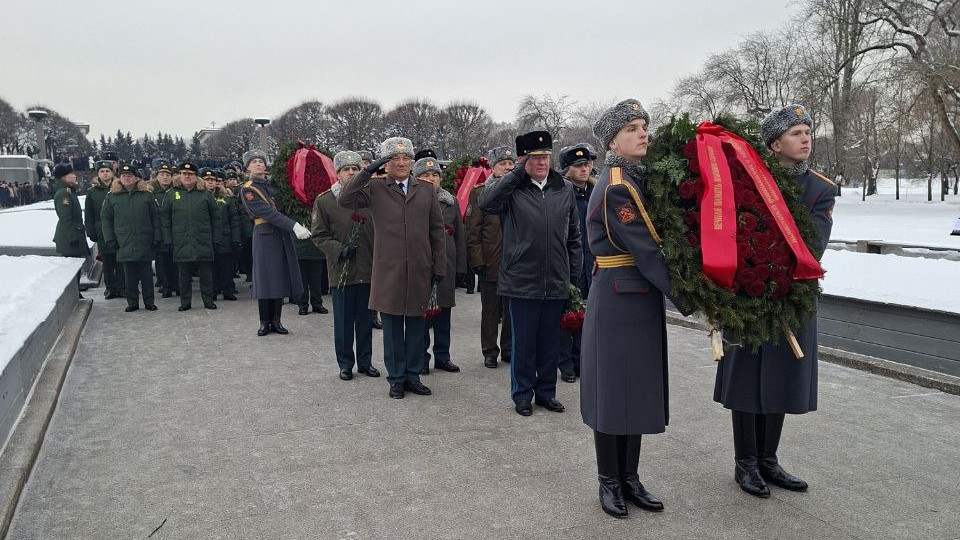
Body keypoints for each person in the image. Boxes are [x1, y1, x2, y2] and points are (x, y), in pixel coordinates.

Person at [714, 104, 836, 498]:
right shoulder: (748, 181)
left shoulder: (819, 189)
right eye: (796, 133)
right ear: (774, 144)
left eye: (807, 132)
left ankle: (768, 459)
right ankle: (745, 462)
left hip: (792, 294)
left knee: (781, 374)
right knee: (747, 377)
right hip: (748, 294)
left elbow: (812, 244)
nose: (805, 139)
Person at [581, 99, 691, 517]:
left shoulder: (637, 177)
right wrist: (690, 297)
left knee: (636, 389)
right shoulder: (617, 185)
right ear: (612, 140)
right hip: (618, 297)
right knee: (613, 392)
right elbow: (646, 251)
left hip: (637, 297)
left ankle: (630, 478)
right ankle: (609, 481)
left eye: (644, 126)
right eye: (632, 128)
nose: (643, 133)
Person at [478, 131, 582, 417]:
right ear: (524, 160)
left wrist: (572, 278)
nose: (541, 163)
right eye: (534, 158)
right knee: (524, 343)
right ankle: (522, 394)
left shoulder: (564, 189)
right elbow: (485, 202)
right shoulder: (512, 189)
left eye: (545, 157)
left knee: (550, 342)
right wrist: (513, 176)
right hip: (522, 280)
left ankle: (547, 392)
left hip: (556, 279)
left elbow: (574, 237)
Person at [338, 137, 446, 400]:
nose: (401, 162)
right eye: (394, 159)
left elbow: (436, 231)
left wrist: (439, 266)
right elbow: (345, 198)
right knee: (393, 328)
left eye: (406, 158)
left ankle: (413, 376)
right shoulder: (375, 188)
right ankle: (396, 378)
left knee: (417, 327)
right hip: (389, 269)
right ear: (385, 163)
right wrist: (367, 170)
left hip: (420, 267)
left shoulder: (425, 189)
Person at [311, 150, 380, 381]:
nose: (351, 173)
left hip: (369, 269)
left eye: (355, 169)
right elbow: (318, 235)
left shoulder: (371, 198)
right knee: (343, 322)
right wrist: (339, 249)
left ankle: (365, 362)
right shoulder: (325, 200)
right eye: (346, 169)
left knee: (365, 320)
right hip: (342, 271)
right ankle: (345, 363)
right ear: (337, 173)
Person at [239, 149, 310, 336]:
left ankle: (277, 321)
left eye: (261, 161)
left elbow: (284, 207)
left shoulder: (273, 187)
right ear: (247, 167)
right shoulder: (248, 189)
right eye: (253, 161)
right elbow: (267, 213)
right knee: (265, 280)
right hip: (264, 236)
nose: (258, 164)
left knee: (278, 277)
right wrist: (294, 226)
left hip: (280, 235)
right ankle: (264, 322)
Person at [413, 157, 466, 375]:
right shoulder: (412, 201)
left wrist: (462, 267)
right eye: (425, 175)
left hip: (447, 265)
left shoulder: (450, 201)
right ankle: (422, 358)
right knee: (423, 317)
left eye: (434, 175)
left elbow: (460, 236)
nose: (431, 178)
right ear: (416, 178)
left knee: (444, 313)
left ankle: (443, 356)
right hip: (422, 265)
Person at [466, 146, 515, 369]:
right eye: (502, 163)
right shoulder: (480, 192)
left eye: (510, 163)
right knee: (490, 309)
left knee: (511, 310)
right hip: (490, 260)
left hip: (515, 261)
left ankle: (508, 348)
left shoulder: (519, 190)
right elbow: (473, 231)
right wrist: (477, 260)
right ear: (492, 167)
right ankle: (489, 351)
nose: (507, 167)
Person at [557, 144, 596, 383]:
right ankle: (566, 364)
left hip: (592, 263)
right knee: (565, 315)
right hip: (568, 263)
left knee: (587, 316)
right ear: (567, 170)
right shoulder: (560, 193)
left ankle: (582, 360)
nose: (585, 168)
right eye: (578, 165)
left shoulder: (595, 192)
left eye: (587, 164)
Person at [101, 163, 161, 312]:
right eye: (123, 176)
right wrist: (109, 238)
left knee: (146, 274)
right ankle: (132, 302)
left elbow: (155, 217)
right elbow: (106, 219)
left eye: (129, 176)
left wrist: (157, 237)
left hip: (144, 240)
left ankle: (149, 302)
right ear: (119, 178)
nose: (126, 178)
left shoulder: (146, 195)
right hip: (123, 241)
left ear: (135, 178)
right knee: (129, 275)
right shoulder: (112, 196)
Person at [160, 160, 219, 311]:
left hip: (203, 239)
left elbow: (216, 218)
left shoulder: (205, 195)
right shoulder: (172, 195)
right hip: (181, 240)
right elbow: (165, 219)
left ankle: (208, 301)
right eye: (184, 174)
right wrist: (167, 239)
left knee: (206, 274)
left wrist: (216, 238)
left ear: (195, 177)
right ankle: (185, 302)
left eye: (190, 174)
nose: (186, 177)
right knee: (183, 275)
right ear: (179, 176)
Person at [86, 160, 124, 299]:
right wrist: (90, 232)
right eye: (102, 171)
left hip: (119, 230)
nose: (105, 173)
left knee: (120, 261)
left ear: (112, 173)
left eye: (107, 171)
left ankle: (122, 287)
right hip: (102, 231)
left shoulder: (120, 188)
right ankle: (110, 288)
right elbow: (89, 214)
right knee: (107, 262)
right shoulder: (92, 192)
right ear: (98, 174)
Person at [201, 168, 240, 301]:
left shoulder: (226, 198)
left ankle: (228, 290)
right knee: (210, 268)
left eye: (213, 180)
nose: (211, 183)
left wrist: (236, 239)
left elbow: (234, 220)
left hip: (225, 238)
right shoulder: (199, 197)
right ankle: (212, 291)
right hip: (207, 238)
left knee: (226, 267)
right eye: (207, 180)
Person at [51, 162, 89, 297]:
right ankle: (74, 294)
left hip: (75, 232)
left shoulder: (68, 191)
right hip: (69, 236)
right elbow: (65, 218)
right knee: (72, 267)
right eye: (71, 174)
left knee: (76, 266)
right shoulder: (64, 194)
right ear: (64, 177)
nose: (74, 176)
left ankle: (76, 292)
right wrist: (72, 237)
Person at [150, 159, 178, 298]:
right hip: (159, 232)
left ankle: (176, 285)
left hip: (175, 231)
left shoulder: (177, 191)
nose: (165, 177)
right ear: (157, 176)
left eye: (167, 174)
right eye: (162, 174)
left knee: (176, 260)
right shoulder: (151, 192)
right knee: (161, 261)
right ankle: (165, 285)